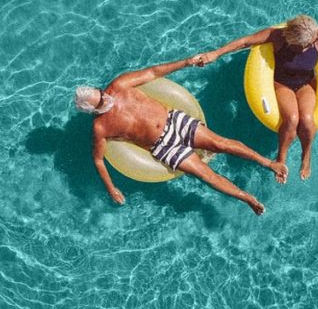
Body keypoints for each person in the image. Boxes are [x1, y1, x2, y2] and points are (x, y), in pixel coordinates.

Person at [75, 56, 288, 215]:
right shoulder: (101, 127)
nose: (107, 98)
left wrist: (187, 62)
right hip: (163, 147)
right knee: (205, 175)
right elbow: (98, 159)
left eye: (101, 93)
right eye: (101, 102)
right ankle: (247, 198)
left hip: (174, 120)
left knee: (219, 143)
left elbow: (153, 72)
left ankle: (269, 163)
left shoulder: (119, 85)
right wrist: (111, 188)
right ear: (92, 109)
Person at [193, 15, 318, 181]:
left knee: (307, 120)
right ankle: (281, 157)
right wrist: (215, 53)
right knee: (291, 119)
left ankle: (306, 155)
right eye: (300, 47)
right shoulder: (277, 36)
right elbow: (245, 41)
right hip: (282, 84)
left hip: (305, 84)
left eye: (308, 45)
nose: (305, 49)